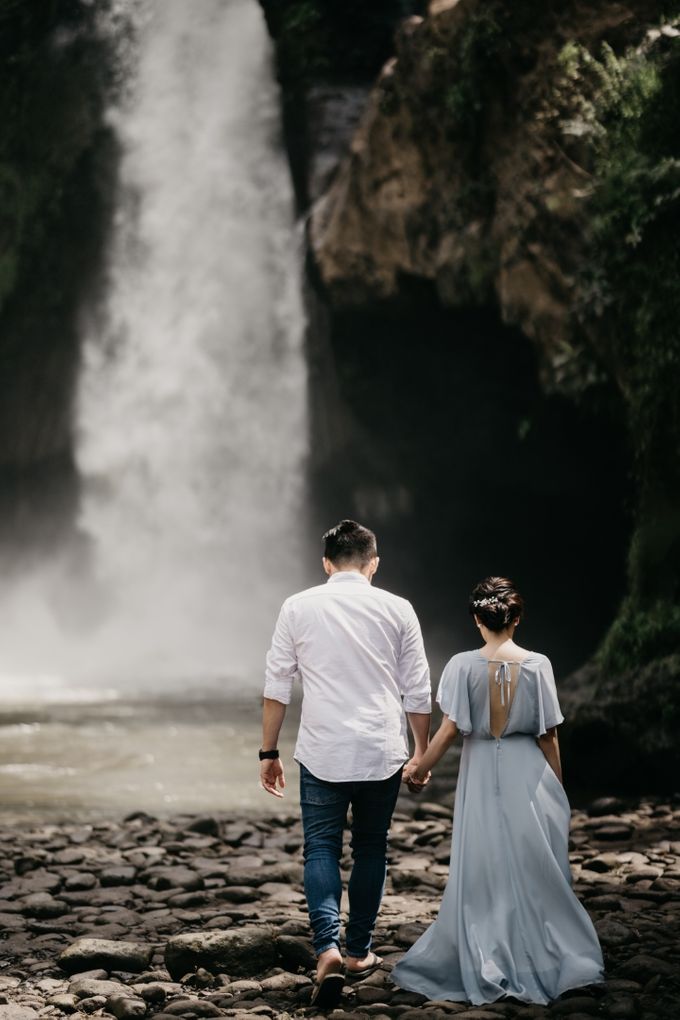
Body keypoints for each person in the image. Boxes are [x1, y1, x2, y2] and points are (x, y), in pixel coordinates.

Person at [392, 576, 604, 1005]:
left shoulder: (460, 665)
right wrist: (558, 789)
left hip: (481, 766)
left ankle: (486, 950)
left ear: (477, 619)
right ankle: (545, 955)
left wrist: (418, 768)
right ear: (517, 618)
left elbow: (449, 730)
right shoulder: (538, 664)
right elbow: (548, 736)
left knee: (484, 860)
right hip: (530, 772)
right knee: (535, 862)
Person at [260, 519, 432, 1008]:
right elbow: (417, 689)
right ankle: (358, 951)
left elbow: (277, 685)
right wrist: (420, 754)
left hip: (322, 750)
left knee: (320, 849)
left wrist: (268, 752)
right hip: (381, 749)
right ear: (373, 563)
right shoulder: (399, 608)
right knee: (372, 847)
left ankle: (327, 948)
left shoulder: (297, 606)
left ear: (326, 564)